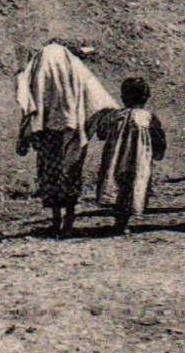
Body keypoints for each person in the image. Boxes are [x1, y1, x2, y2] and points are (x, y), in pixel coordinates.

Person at [16, 42, 120, 237]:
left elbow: (29, 98)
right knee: (71, 173)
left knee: (52, 176)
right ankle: (68, 221)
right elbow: (98, 98)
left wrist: (26, 132)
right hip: (73, 130)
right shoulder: (74, 68)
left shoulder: (41, 66)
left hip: (48, 133)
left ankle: (57, 220)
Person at [91, 76, 168, 233]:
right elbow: (158, 136)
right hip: (139, 158)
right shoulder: (149, 117)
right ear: (146, 97)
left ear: (123, 97)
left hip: (115, 157)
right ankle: (124, 222)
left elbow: (101, 133)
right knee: (133, 185)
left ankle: (119, 221)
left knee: (117, 184)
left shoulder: (114, 115)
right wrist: (158, 152)